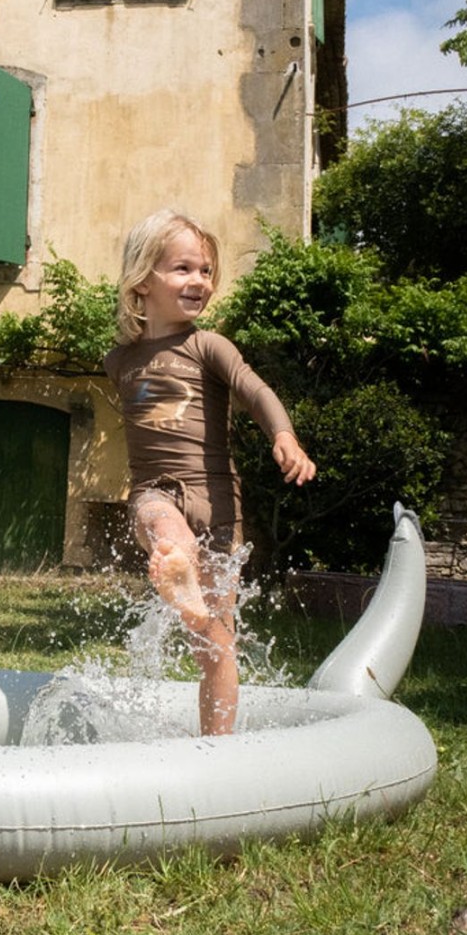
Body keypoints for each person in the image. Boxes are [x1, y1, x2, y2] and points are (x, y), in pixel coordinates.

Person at [103, 209, 315, 736]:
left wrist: (282, 435)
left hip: (219, 505)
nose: (199, 281)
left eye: (205, 271)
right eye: (183, 269)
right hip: (155, 490)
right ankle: (177, 562)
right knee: (165, 527)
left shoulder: (208, 346)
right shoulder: (119, 361)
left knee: (216, 645)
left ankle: (217, 751)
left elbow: (255, 389)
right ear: (142, 279)